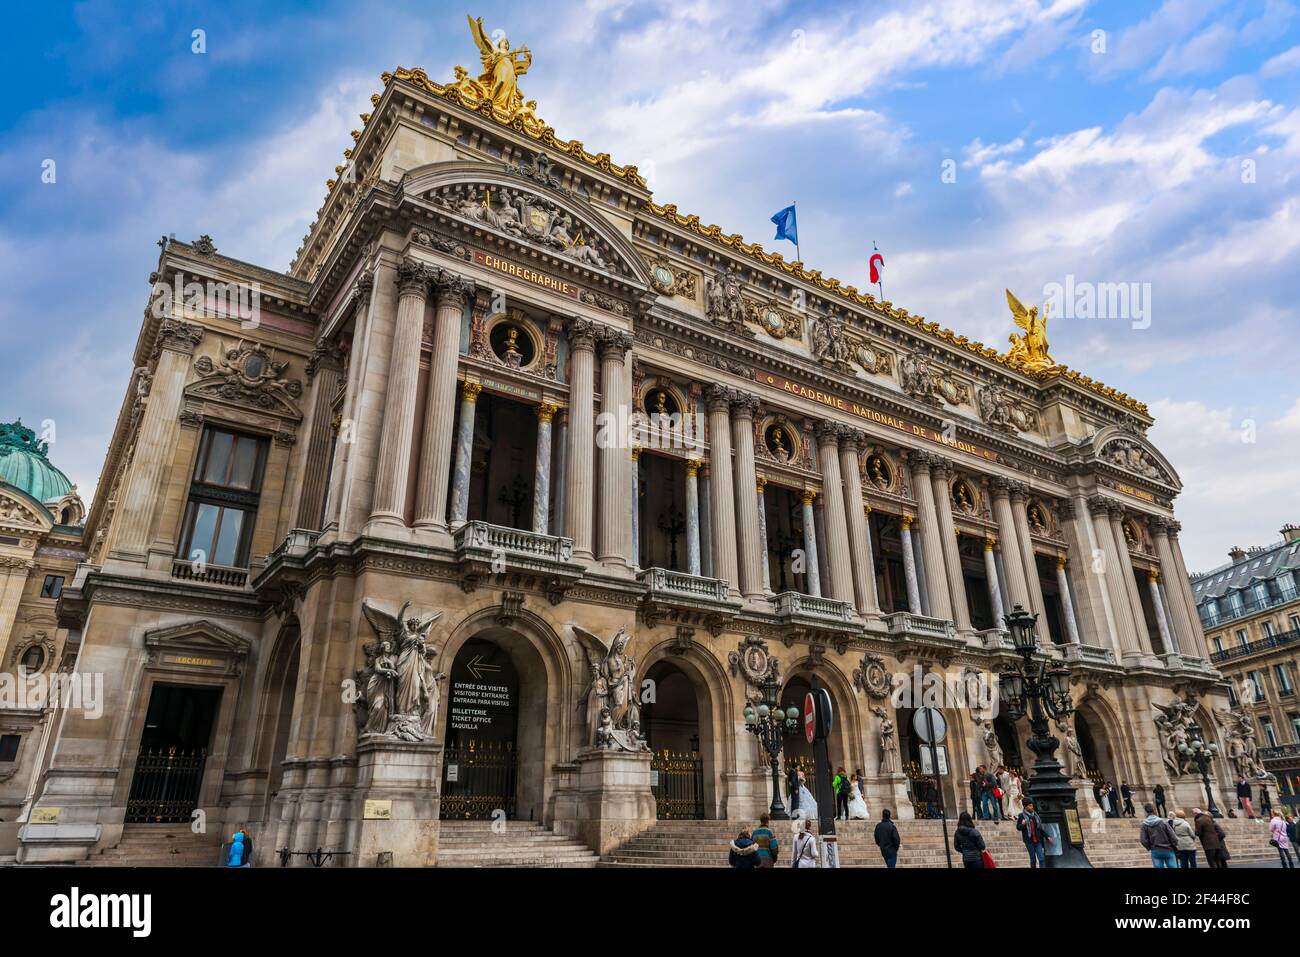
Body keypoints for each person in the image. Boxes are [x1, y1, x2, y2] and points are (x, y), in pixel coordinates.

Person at [1139, 803, 1178, 868]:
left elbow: (1143, 840)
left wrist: (1150, 847)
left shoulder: (1144, 825)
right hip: (1168, 849)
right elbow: (1173, 836)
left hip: (1155, 850)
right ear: (1155, 810)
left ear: (1146, 812)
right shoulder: (1163, 822)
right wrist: (1174, 845)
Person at [1015, 799, 1048, 868]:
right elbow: (1018, 827)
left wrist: (1047, 836)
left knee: (1041, 858)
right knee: (1033, 859)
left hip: (1038, 841)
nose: (1032, 807)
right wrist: (1023, 824)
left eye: (1032, 805)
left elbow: (1039, 828)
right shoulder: (1021, 816)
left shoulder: (1035, 815)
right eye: (1030, 806)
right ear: (1025, 807)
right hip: (1029, 841)